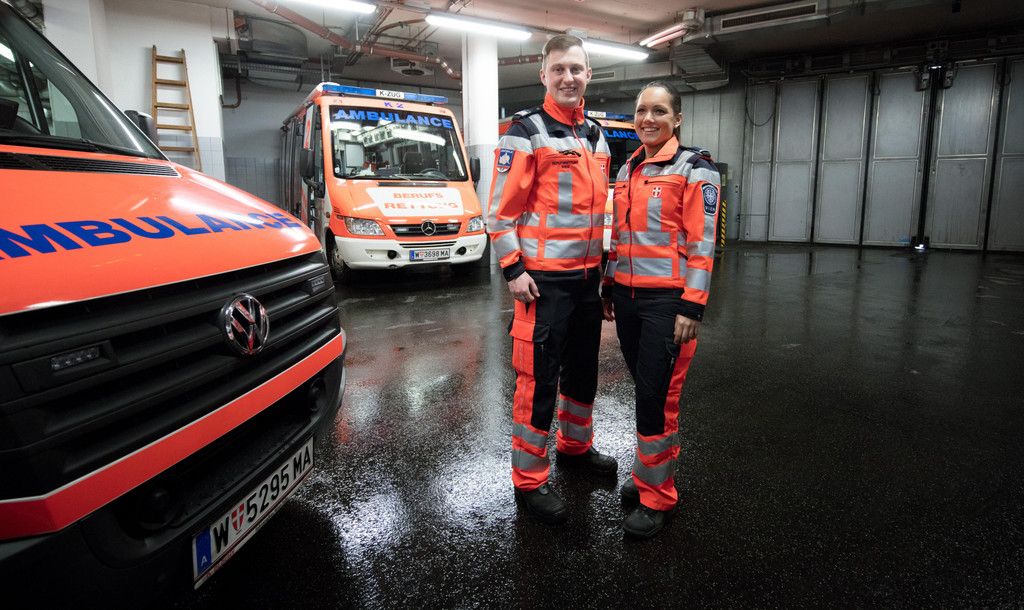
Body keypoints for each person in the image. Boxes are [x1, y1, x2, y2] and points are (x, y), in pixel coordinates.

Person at [487, 34, 616, 525]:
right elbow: (499, 213)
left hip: (586, 282)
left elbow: (599, 213)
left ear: (588, 75)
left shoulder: (597, 136)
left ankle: (575, 448)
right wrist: (513, 269)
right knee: (538, 381)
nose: (568, 77)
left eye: (576, 69)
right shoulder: (526, 132)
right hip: (542, 282)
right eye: (559, 69)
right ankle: (529, 480)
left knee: (583, 372)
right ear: (544, 75)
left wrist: (604, 272)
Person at [601, 81, 721, 538]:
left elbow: (702, 244)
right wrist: (609, 285)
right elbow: (621, 236)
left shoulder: (695, 168)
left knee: (655, 395)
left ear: (677, 119)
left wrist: (692, 306)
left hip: (668, 303)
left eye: (659, 111)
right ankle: (649, 473)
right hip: (628, 299)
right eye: (641, 111)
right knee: (649, 392)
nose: (647, 119)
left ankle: (658, 497)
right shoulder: (629, 167)